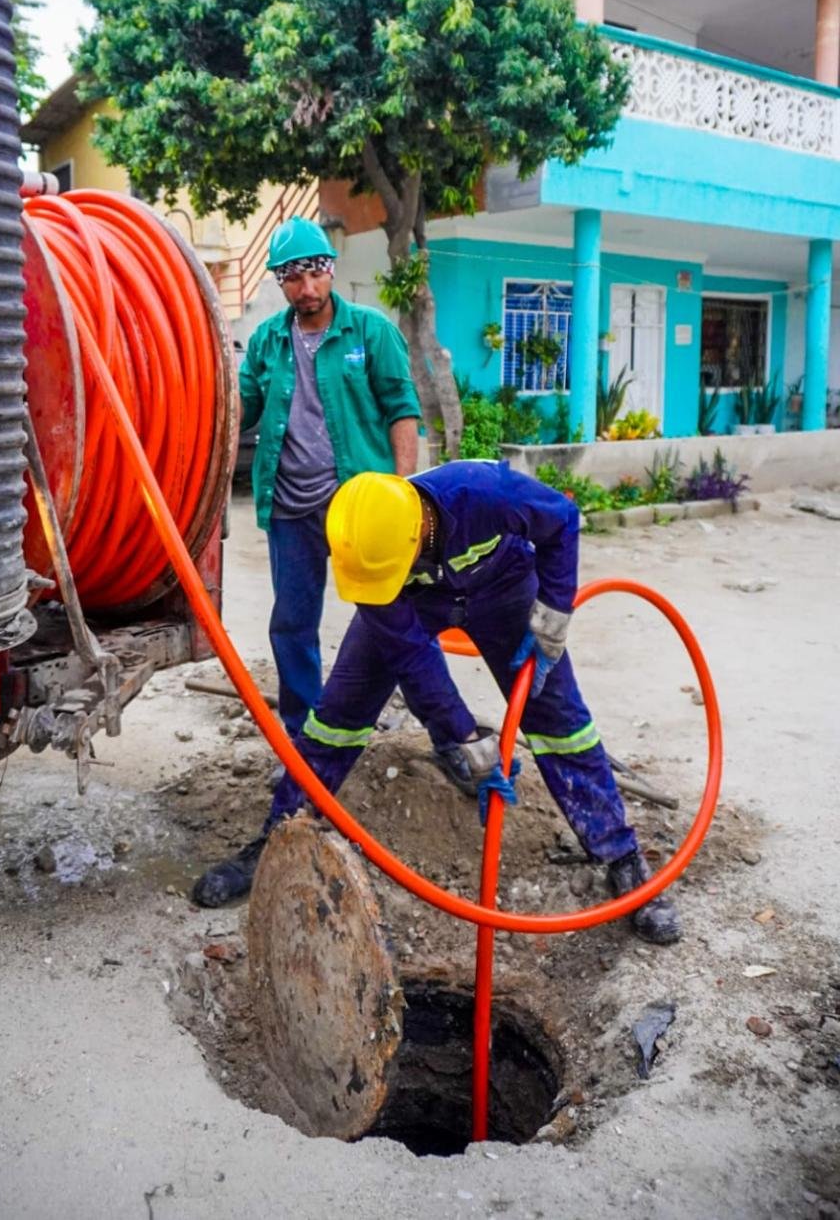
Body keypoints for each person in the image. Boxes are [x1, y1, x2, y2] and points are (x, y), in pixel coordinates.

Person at [192, 460, 682, 947]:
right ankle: (277, 838)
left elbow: (562, 521)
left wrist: (552, 614)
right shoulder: (371, 555)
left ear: (417, 536)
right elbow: (415, 661)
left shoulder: (485, 493)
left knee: (560, 720)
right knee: (336, 720)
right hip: (414, 604)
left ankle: (621, 856)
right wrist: (465, 737)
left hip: (503, 587)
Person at [235, 215, 421, 743]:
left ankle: (401, 710)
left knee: (387, 614)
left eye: (315, 273)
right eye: (293, 277)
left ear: (332, 269)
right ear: (279, 281)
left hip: (359, 505)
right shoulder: (268, 342)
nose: (307, 288)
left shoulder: (371, 330)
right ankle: (305, 730)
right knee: (292, 625)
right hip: (290, 509)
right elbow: (240, 410)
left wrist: (403, 492)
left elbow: (401, 408)